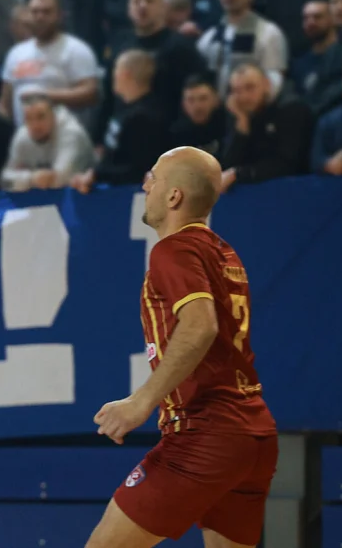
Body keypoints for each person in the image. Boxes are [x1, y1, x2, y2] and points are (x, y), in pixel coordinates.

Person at [86, 146, 278, 548]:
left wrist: (141, 401)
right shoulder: (224, 253)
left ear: (174, 196)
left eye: (153, 178)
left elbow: (200, 325)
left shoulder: (172, 250)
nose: (146, 186)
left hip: (205, 433)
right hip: (254, 436)